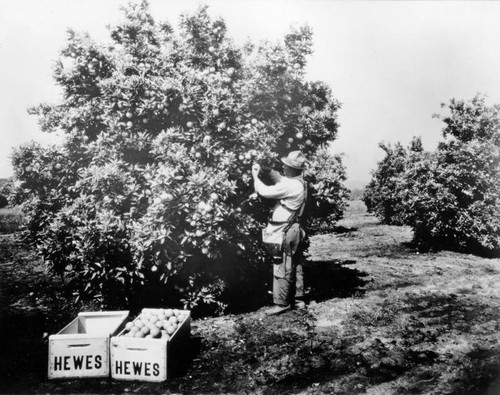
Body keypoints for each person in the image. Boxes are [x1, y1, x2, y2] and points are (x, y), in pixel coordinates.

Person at [251, 150, 308, 316]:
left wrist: (256, 176)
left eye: (286, 165)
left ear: (291, 169)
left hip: (285, 231)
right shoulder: (300, 182)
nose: (283, 167)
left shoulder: (290, 185)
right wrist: (267, 169)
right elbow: (281, 178)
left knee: (282, 264)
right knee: (296, 264)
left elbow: (265, 192)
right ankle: (299, 300)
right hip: (295, 229)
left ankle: (281, 303)